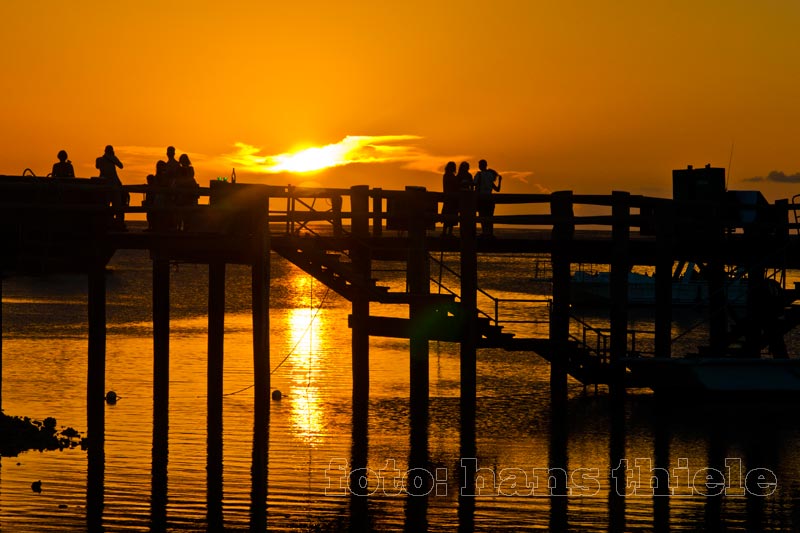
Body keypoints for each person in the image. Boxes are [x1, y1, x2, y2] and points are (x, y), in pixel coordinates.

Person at [96, 145, 126, 229]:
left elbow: (97, 166)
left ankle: (107, 222)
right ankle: (117, 223)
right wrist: (113, 157)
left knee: (106, 204)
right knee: (116, 204)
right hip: (113, 184)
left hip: (105, 184)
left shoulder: (99, 160)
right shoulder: (109, 159)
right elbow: (121, 165)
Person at [473, 159, 502, 237]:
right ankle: (490, 233)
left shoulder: (479, 175)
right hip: (490, 199)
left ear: (481, 166)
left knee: (482, 216)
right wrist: (500, 181)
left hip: (481, 199)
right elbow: (497, 189)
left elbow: (474, 184)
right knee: (490, 217)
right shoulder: (490, 175)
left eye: (479, 165)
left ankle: (484, 233)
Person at [175, 153, 199, 230]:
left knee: (186, 213)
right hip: (182, 195)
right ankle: (180, 227)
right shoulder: (180, 169)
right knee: (181, 213)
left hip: (187, 195)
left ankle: (185, 227)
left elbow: (189, 177)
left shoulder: (190, 169)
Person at [440, 161, 459, 236]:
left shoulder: (445, 175)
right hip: (452, 199)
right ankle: (449, 233)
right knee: (452, 215)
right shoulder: (453, 177)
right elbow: (455, 187)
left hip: (447, 198)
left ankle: (444, 232)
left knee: (446, 215)